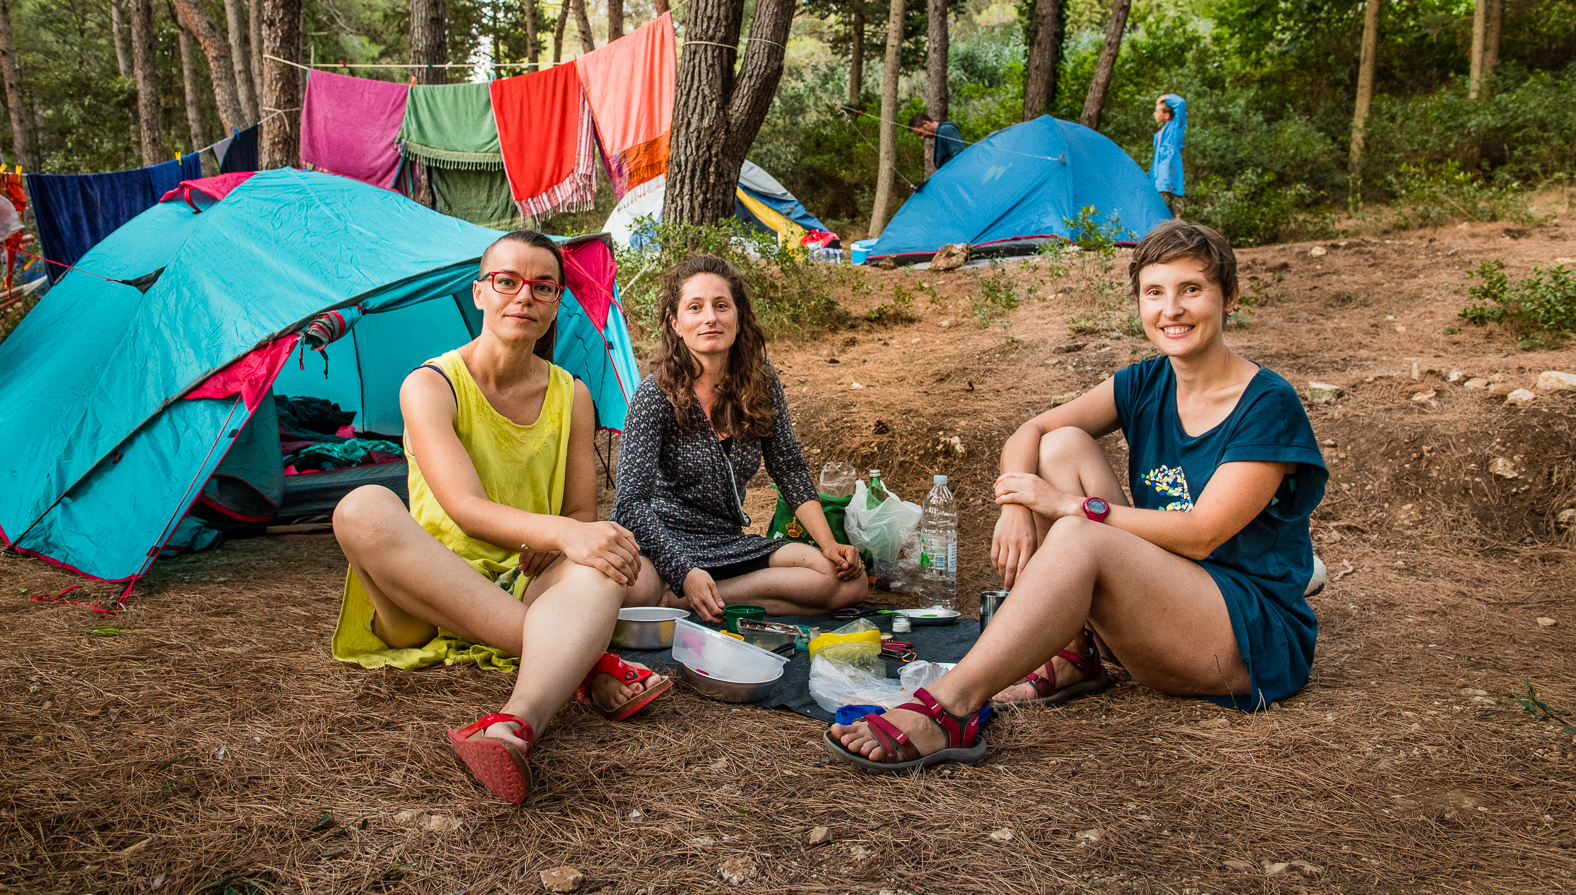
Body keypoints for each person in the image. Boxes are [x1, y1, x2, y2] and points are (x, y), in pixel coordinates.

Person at [825, 221, 1326, 773]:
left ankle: (950, 707)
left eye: (1192, 289)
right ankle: (1075, 654)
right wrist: (1017, 503)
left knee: (1080, 533)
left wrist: (1073, 509)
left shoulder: (1267, 403)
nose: (1172, 310)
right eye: (1155, 292)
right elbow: (1032, 430)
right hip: (1167, 595)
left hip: (1248, 636)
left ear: (1228, 297)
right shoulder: (1145, 382)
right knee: (1062, 444)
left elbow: (1203, 535)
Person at [331, 230, 671, 805]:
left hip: (523, 578)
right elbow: (465, 509)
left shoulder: (572, 395)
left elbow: (579, 513)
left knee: (613, 562)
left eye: (543, 287)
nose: (524, 297)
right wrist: (562, 532)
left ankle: (515, 722)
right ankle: (583, 659)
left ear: (557, 302)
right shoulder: (430, 384)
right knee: (360, 507)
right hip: (428, 586)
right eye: (507, 281)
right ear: (480, 292)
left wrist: (566, 538)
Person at [615, 255, 869, 621]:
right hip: (660, 542)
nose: (710, 318)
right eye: (695, 307)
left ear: (738, 317)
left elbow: (789, 469)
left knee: (849, 582)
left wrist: (829, 543)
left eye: (721, 306)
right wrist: (684, 572)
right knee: (631, 592)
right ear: (677, 324)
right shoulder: (655, 395)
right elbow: (631, 504)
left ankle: (682, 605)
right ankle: (687, 592)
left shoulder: (760, 381)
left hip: (726, 542)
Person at [1150, 94, 1187, 219]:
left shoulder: (1175, 127)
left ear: (1166, 115)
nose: (1155, 114)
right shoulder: (1159, 135)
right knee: (1160, 213)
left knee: (1175, 214)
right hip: (1159, 181)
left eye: (1157, 111)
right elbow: (1156, 161)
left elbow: (1180, 103)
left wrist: (1164, 97)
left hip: (1171, 178)